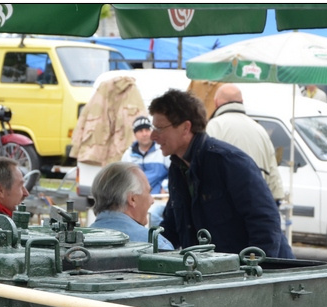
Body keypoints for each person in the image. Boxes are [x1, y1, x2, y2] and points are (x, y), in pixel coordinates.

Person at [148, 89, 292, 259]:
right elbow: (172, 227)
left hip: (255, 275)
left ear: (186, 128)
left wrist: (255, 272)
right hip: (215, 274)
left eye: (160, 128)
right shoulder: (177, 168)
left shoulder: (228, 162)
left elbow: (265, 221)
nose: (153, 136)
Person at [206, 83, 285, 204]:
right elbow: (273, 175)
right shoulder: (260, 130)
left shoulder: (213, 127)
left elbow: (205, 170)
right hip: (257, 206)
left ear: (216, 102)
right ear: (241, 101)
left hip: (225, 208)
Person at [90, 162, 174, 250]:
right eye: (149, 192)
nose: (152, 201)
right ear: (132, 199)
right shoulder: (156, 245)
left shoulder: (78, 243)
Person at [120, 116, 169, 194]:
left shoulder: (162, 150)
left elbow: (175, 173)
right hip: (136, 200)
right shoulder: (128, 155)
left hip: (160, 199)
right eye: (140, 131)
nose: (144, 134)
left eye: (147, 130)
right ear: (135, 134)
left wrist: (166, 187)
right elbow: (122, 180)